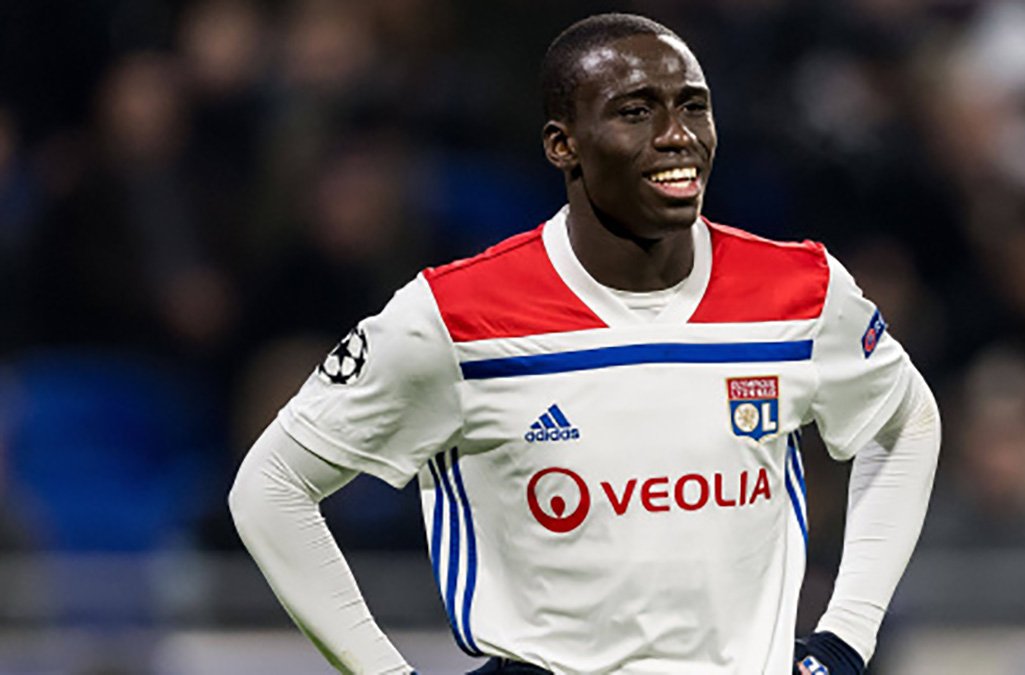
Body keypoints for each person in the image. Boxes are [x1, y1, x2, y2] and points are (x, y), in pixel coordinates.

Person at [229, 13, 941, 675]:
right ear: (561, 144)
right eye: (637, 111)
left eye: (693, 106)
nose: (678, 135)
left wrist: (845, 637)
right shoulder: (453, 315)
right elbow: (271, 487)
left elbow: (907, 421)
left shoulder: (802, 290)